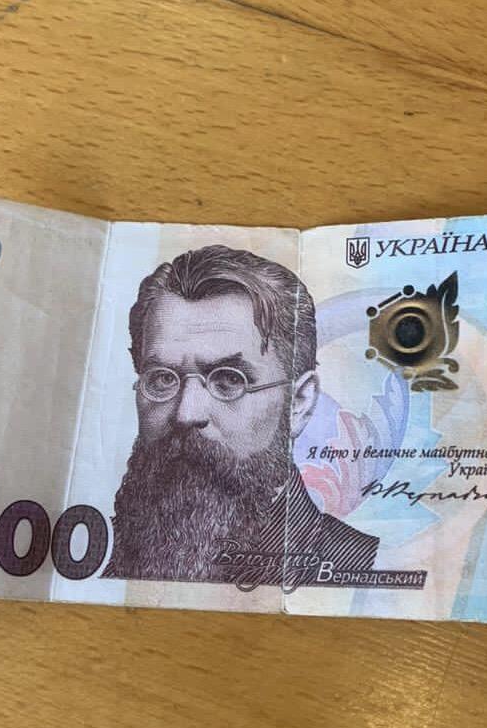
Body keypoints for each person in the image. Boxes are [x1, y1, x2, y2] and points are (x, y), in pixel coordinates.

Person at [101, 244, 379, 588]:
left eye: (229, 380)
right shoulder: (109, 556)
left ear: (300, 402)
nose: (186, 413)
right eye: (161, 379)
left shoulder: (361, 567)